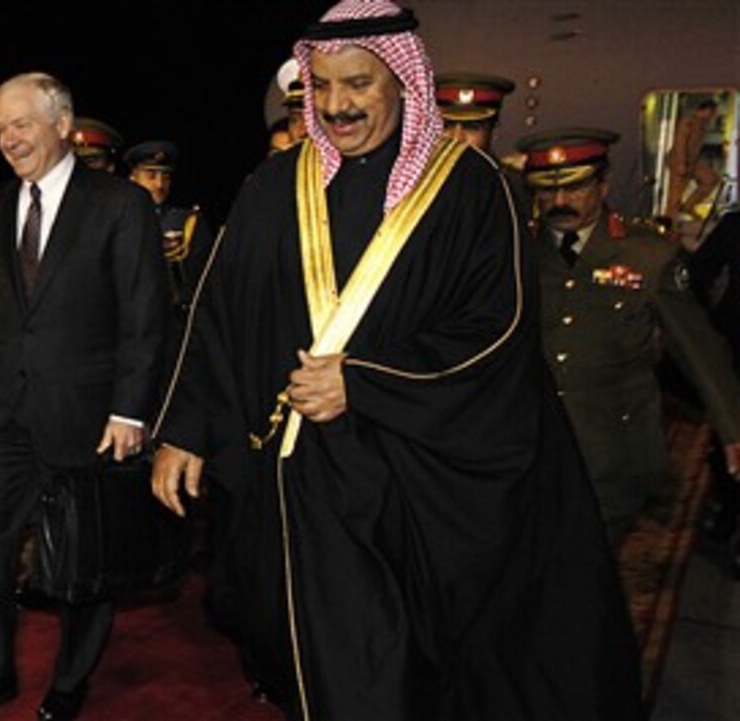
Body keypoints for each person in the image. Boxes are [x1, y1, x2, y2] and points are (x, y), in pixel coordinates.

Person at [150, 2, 644, 719]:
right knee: (304, 646)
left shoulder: (472, 191)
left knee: (390, 660)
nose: (337, 105)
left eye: (357, 85)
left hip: (408, 478)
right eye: (322, 87)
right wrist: (184, 428)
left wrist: (363, 383)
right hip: (293, 481)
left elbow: (496, 331)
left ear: (403, 83)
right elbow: (216, 315)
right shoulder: (270, 188)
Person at [0, 72, 167, 721]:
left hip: (89, 416)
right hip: (8, 413)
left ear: (62, 124)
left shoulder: (118, 204)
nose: (8, 138)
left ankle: (71, 679)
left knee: (80, 555)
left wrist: (130, 409)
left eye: (22, 123)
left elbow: (144, 313)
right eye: (0, 126)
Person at [516, 127, 740, 550]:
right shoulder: (517, 250)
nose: (560, 202)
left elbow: (699, 349)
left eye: (575, 188)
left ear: (602, 185)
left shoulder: (647, 256)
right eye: (547, 191)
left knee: (593, 561)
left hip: (612, 446)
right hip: (532, 441)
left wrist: (732, 429)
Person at [685, 207, 740, 576]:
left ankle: (729, 511)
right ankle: (730, 511)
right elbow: (696, 276)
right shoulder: (735, 225)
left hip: (732, 343)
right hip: (732, 345)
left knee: (730, 433)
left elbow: (697, 276)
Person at [124, 140, 214, 320]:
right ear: (133, 178)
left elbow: (202, 282)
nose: (159, 184)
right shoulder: (120, 220)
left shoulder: (186, 222)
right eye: (150, 175)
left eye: (165, 176)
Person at [434, 71, 530, 219]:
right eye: (446, 126)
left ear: (494, 131)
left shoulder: (513, 188)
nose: (457, 138)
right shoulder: (410, 184)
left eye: (471, 127)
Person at [664, 99, 721, 222]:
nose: (712, 116)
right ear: (705, 110)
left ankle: (689, 206)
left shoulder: (702, 126)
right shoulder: (688, 122)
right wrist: (680, 162)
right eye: (712, 113)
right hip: (679, 160)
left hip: (693, 162)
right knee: (675, 196)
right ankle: (669, 224)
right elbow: (680, 142)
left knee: (711, 178)